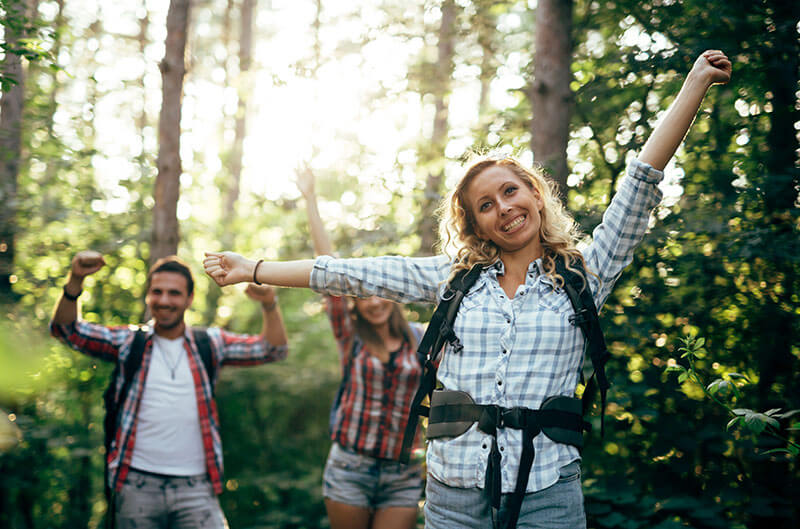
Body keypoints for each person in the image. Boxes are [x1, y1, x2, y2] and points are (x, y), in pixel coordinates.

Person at [203, 51, 731, 529]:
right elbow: (351, 273)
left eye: (510, 191)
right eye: (485, 205)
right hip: (454, 490)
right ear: (476, 225)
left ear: (535, 194)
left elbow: (640, 183)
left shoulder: (585, 273)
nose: (504, 208)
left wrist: (694, 86)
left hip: (548, 489)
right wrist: (254, 267)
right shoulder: (454, 280)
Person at [51, 252, 289, 529]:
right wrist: (76, 279)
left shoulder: (209, 343)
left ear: (189, 299)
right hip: (136, 484)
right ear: (148, 296)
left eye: (174, 293)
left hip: (197, 487)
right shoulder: (129, 341)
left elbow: (273, 349)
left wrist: (270, 304)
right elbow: (66, 330)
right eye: (157, 292)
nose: (164, 301)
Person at [296, 166, 425, 529]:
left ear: (394, 295)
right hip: (350, 467)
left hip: (403, 471)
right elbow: (328, 269)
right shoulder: (350, 335)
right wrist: (311, 200)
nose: (373, 303)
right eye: (363, 297)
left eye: (380, 293)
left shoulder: (420, 338)